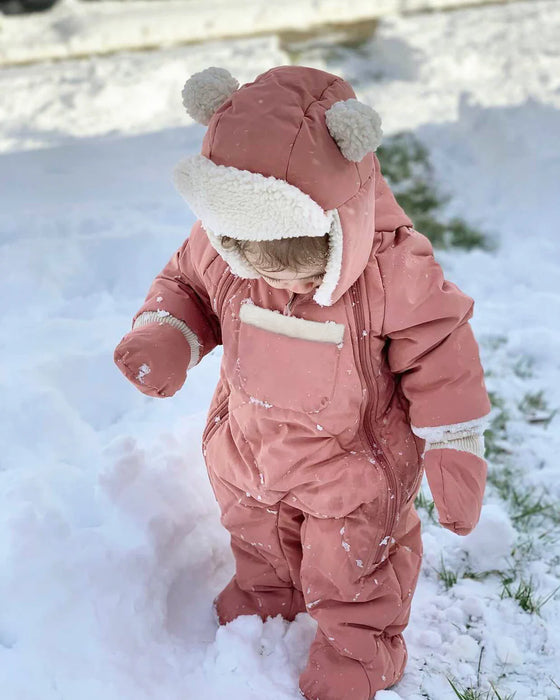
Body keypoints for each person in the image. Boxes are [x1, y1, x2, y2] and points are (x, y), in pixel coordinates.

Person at [114, 65, 492, 700]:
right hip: (248, 450)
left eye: (286, 251)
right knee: (256, 533)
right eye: (240, 244)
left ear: (340, 216)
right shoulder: (225, 241)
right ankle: (268, 593)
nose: (260, 265)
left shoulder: (393, 272)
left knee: (352, 564)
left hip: (353, 468)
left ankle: (359, 648)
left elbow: (441, 346)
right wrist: (167, 335)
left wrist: (455, 444)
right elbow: (187, 285)